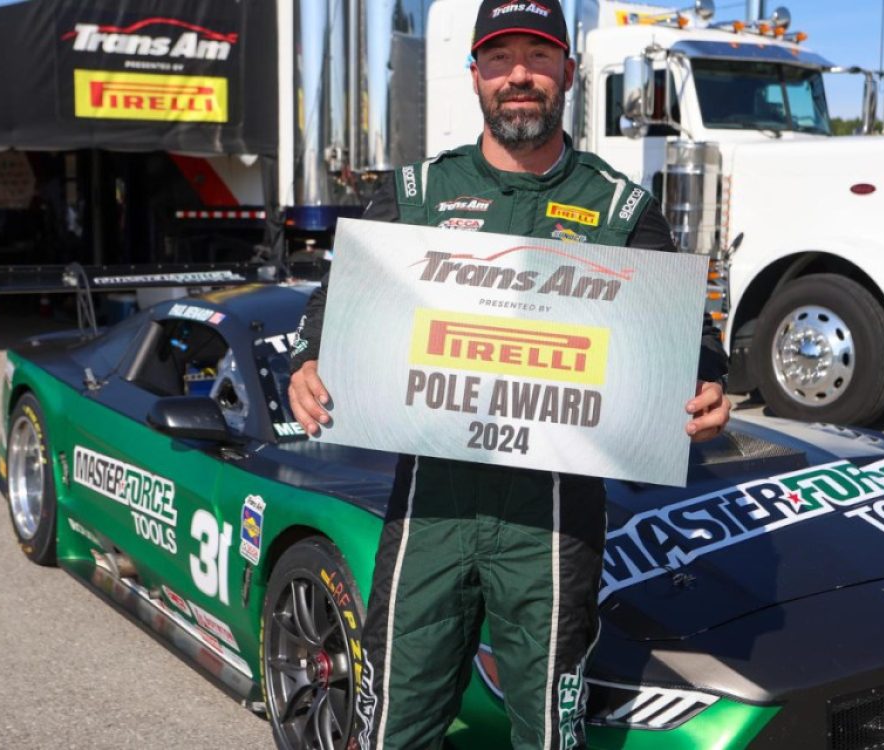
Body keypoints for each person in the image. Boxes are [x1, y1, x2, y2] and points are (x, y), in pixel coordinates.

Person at [287, 2, 731, 748]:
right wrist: (309, 358)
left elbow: (691, 333)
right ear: (475, 76)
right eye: (499, 57)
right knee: (395, 720)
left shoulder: (621, 208)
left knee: (547, 735)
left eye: (537, 54)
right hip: (432, 505)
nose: (518, 74)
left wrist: (709, 382)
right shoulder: (418, 192)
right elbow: (337, 303)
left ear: (568, 71)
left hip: (552, 523)